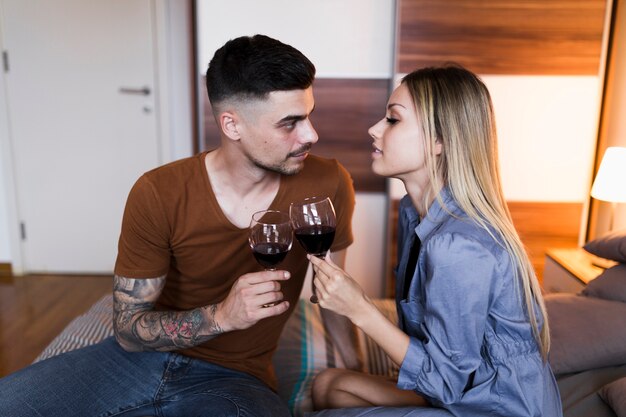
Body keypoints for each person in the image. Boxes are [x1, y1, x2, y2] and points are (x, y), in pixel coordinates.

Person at [0, 34, 360, 417]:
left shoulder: (328, 183)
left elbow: (333, 290)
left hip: (235, 379)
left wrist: (353, 365)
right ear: (232, 125)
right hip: (132, 363)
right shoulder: (158, 191)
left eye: (308, 115)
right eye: (290, 123)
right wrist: (223, 316)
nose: (311, 135)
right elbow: (127, 328)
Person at [305, 65, 563, 417]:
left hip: (493, 406)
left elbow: (446, 381)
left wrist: (360, 308)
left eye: (393, 120)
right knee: (327, 386)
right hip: (458, 388)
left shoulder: (458, 246)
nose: (374, 129)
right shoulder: (415, 212)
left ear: (439, 141)